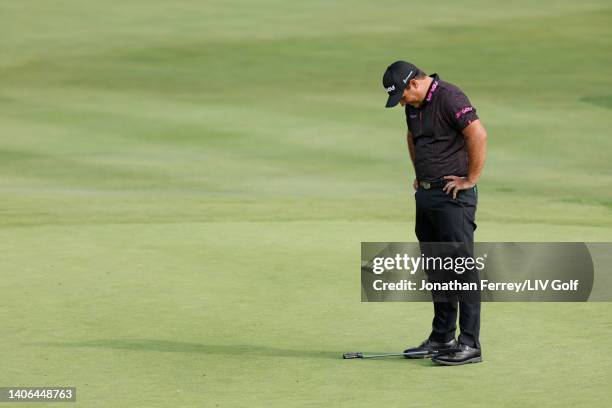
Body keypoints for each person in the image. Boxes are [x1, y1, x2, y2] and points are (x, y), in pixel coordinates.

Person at [382, 61, 488, 365]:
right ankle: (442, 337)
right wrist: (420, 173)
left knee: (461, 268)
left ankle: (469, 344)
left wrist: (471, 179)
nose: (402, 102)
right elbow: (411, 138)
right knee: (437, 267)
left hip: (453, 197)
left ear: (414, 84)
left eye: (402, 96)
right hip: (427, 194)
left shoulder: (450, 97)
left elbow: (478, 135)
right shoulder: (413, 106)